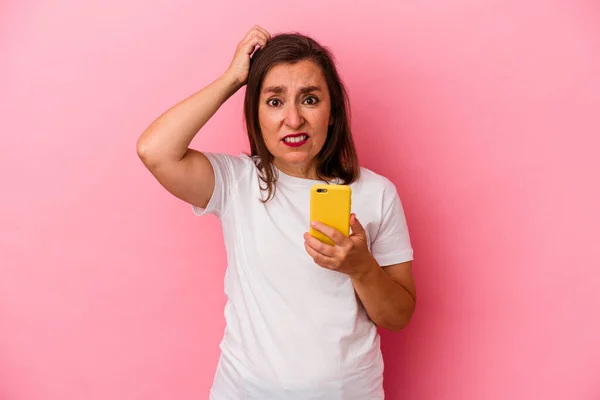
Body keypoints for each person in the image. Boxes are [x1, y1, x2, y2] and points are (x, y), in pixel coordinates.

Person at [137, 25, 416, 400]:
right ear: (256, 116)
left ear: (332, 112)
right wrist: (232, 79)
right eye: (274, 101)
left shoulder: (377, 193)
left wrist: (361, 267)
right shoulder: (236, 182)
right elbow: (155, 151)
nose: (294, 120)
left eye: (310, 100)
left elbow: (398, 316)